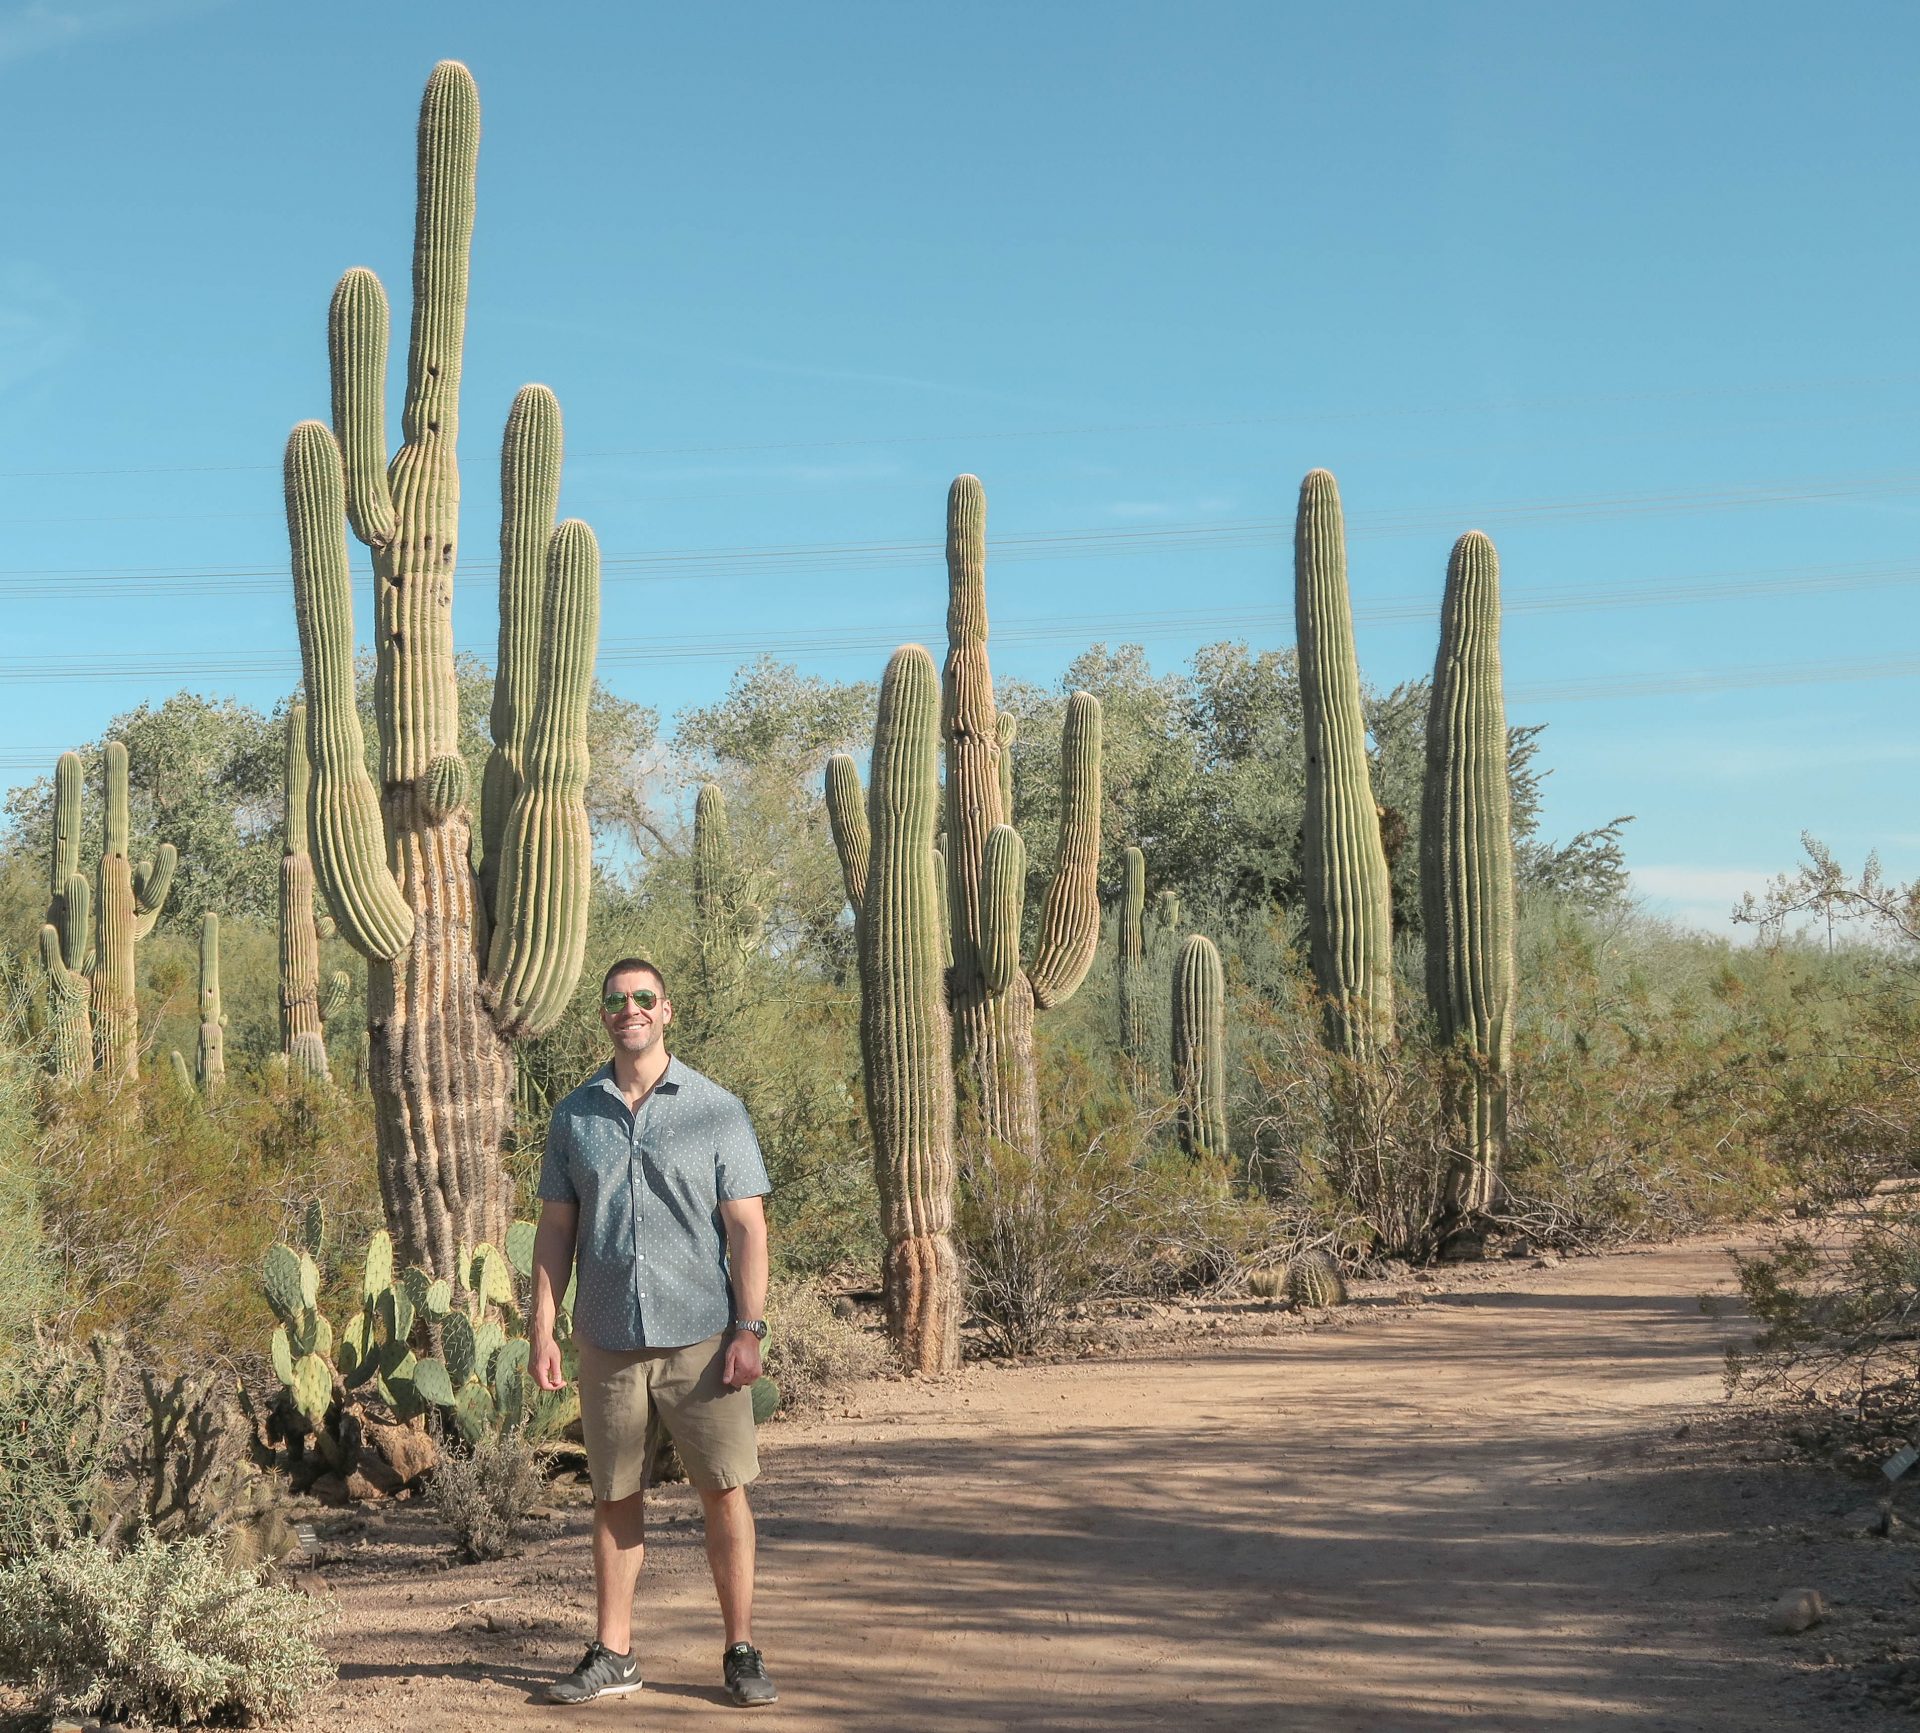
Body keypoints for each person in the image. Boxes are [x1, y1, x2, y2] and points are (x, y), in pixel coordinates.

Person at [530, 956, 777, 1709]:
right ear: (603, 1014)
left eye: (643, 998)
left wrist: (749, 1328)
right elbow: (553, 1233)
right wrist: (542, 1329)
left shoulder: (714, 1108)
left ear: (666, 1010)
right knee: (613, 1494)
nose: (628, 1008)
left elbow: (747, 1228)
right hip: (607, 1333)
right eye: (615, 1000)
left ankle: (739, 1648)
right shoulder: (575, 1115)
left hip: (702, 1336)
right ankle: (614, 1652)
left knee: (724, 1490)